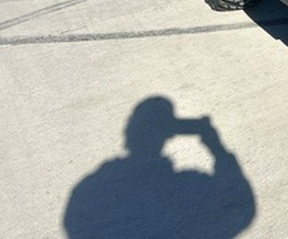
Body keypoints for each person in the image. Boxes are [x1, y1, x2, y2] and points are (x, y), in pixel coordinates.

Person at [64, 96, 255, 238]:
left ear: (128, 131)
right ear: (170, 133)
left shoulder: (93, 187)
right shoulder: (187, 188)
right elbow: (241, 206)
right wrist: (216, 147)